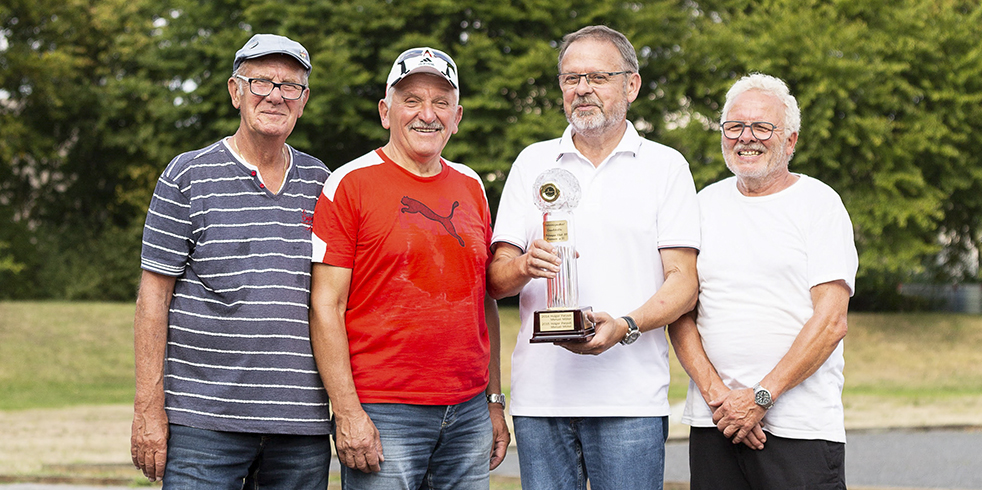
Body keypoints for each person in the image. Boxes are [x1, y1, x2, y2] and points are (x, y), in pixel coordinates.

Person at [488, 26, 700, 490]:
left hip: (631, 400)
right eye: (570, 78)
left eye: (598, 76)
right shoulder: (532, 163)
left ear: (632, 85)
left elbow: (683, 283)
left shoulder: (666, 167)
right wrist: (524, 266)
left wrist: (624, 326)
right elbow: (496, 280)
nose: (582, 88)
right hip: (541, 401)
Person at [129, 34, 333, 488]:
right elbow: (153, 298)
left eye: (290, 85)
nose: (275, 95)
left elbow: (337, 301)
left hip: (301, 426)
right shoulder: (186, 175)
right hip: (203, 425)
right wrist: (148, 407)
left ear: (304, 101)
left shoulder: (325, 183)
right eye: (261, 82)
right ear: (235, 91)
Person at [308, 46, 509, 489]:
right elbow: (326, 305)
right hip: (384, 411)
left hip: (470, 410)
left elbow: (484, 302)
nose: (427, 114)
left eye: (441, 102)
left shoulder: (471, 185)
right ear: (386, 111)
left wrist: (494, 400)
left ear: (457, 117)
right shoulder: (348, 184)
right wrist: (347, 411)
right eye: (412, 100)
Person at [668, 73, 859, 490]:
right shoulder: (701, 205)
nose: (746, 138)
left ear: (790, 140)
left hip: (799, 429)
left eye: (761, 127)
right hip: (714, 423)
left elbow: (831, 322)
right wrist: (720, 398)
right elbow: (679, 311)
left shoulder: (819, 205)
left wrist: (760, 398)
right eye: (734, 127)